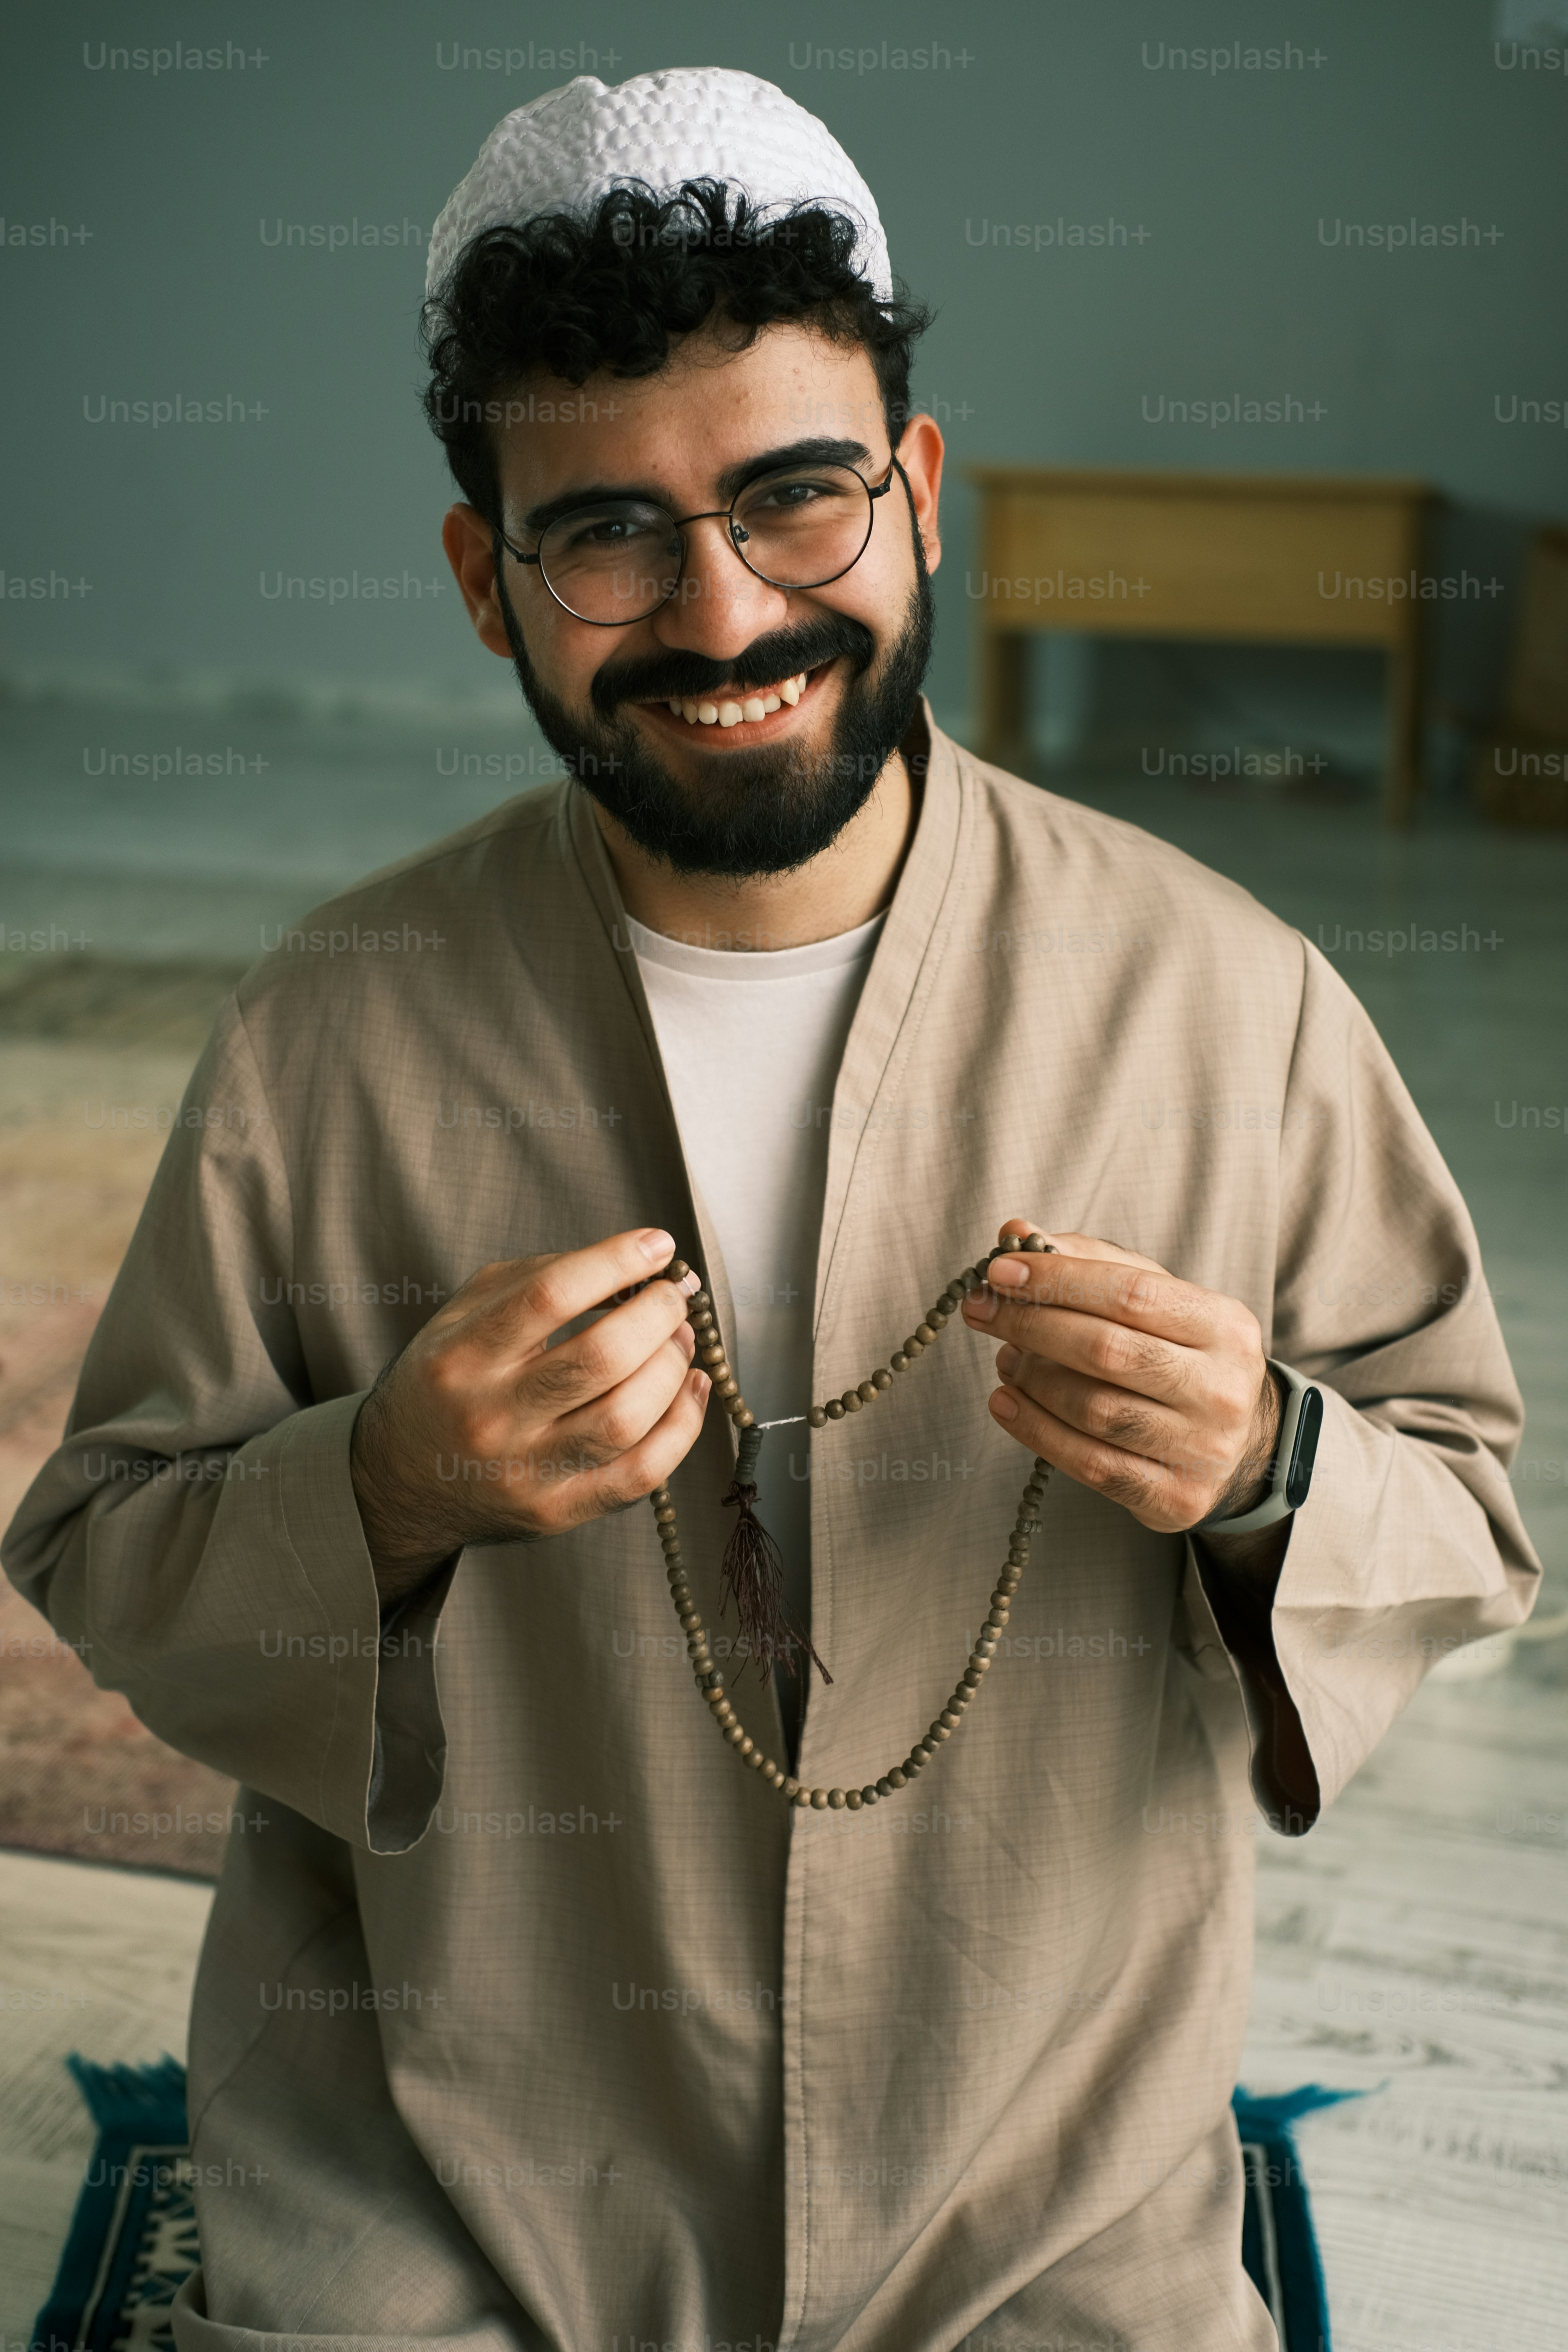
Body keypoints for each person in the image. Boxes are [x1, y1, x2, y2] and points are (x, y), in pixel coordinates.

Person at [4, 67, 1538, 2352]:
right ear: (481, 581)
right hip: (456, 2156)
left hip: (1041, 2167)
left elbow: (1470, 1519)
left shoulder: (1231, 995)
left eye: (798, 499)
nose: (724, 614)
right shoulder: (339, 1023)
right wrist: (390, 1481)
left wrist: (1266, 1465)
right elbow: (110, 1544)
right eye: (607, 534)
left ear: (917, 493)